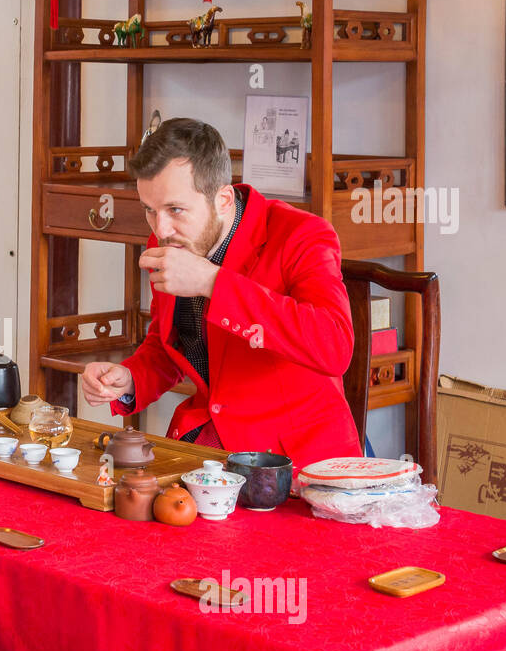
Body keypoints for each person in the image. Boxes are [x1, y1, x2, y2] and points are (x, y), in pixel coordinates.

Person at [81, 118, 361, 469]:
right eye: (149, 210)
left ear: (224, 199)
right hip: (213, 450)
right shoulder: (170, 238)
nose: (160, 229)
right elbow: (170, 344)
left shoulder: (302, 235)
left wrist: (213, 282)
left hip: (297, 460)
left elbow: (334, 347)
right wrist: (129, 379)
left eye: (175, 209)